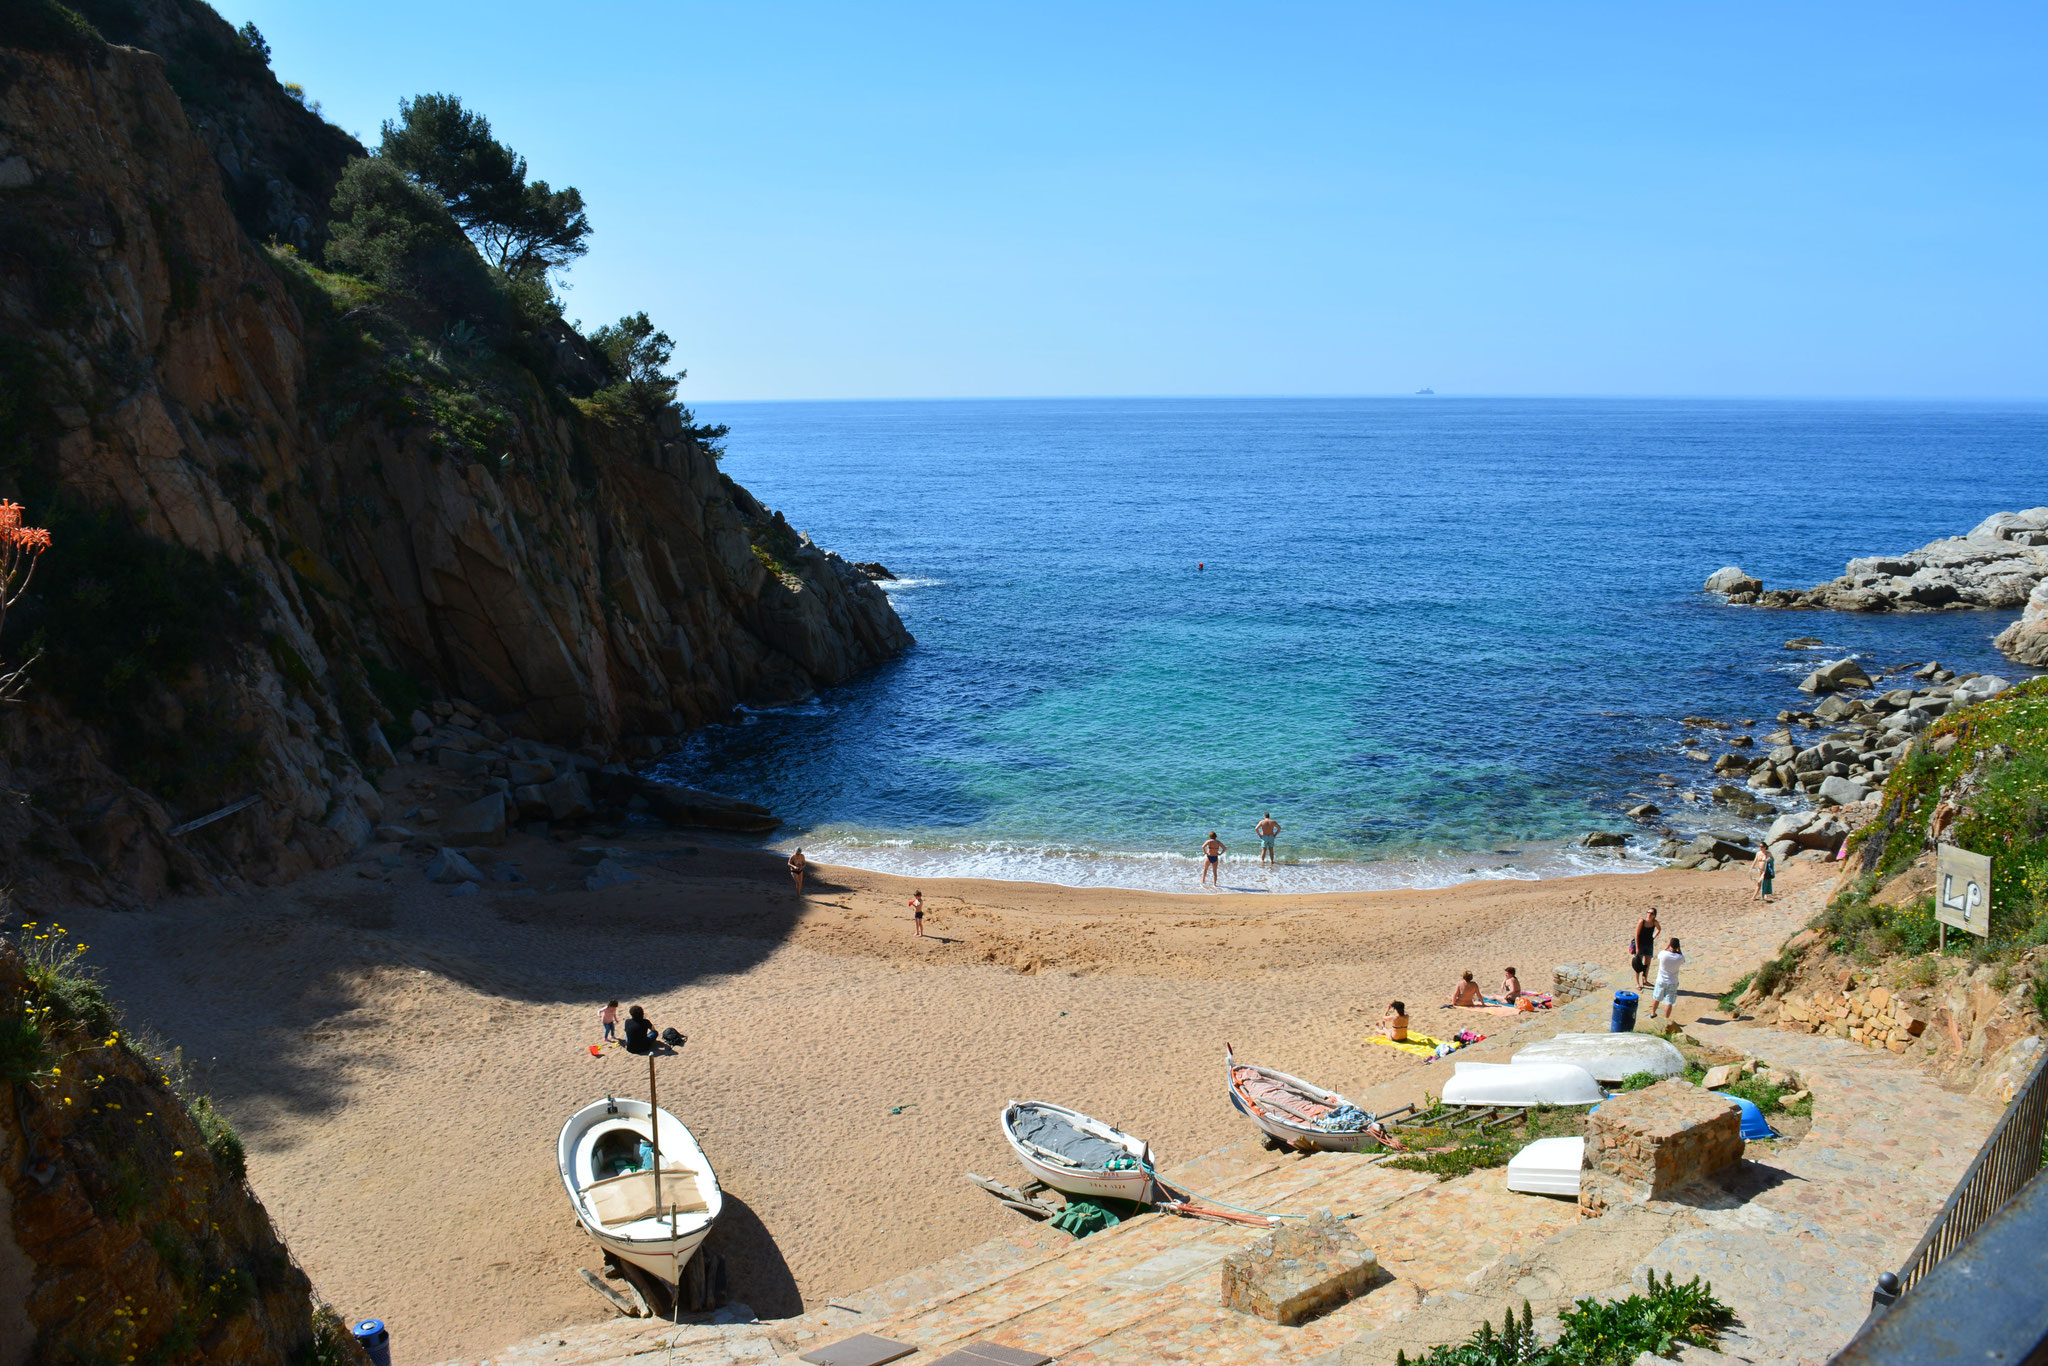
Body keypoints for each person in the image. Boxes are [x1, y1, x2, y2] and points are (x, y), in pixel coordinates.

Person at [1652, 938, 1685, 1020]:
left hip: (1661, 980)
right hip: (1673, 982)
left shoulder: (1663, 954)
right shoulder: (1679, 957)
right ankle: (1666, 1018)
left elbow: (1660, 955)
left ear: (1670, 945)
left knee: (1657, 998)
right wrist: (1679, 950)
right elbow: (1683, 959)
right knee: (1669, 1002)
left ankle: (1653, 1013)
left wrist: (1666, 947)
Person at [1630, 910, 1661, 988]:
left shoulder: (1654, 922)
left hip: (1649, 945)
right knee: (1637, 964)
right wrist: (1637, 947)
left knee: (1647, 964)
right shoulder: (1642, 921)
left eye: (1651, 913)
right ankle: (1638, 983)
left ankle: (1645, 980)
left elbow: (1659, 929)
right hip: (1640, 945)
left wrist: (1653, 937)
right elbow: (1636, 935)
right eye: (1648, 912)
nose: (1649, 914)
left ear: (1654, 915)